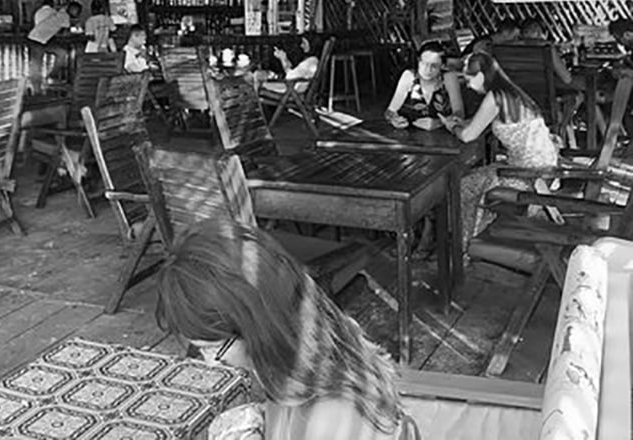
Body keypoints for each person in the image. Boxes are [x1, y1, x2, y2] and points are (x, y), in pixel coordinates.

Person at [156, 218, 419, 440]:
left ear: (259, 329)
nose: (213, 364)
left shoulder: (332, 417)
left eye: (212, 349)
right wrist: (258, 416)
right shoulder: (311, 347)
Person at [440, 52, 559, 250]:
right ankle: (470, 238)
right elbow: (482, 122)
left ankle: (464, 246)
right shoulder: (510, 92)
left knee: (462, 185)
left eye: (468, 80)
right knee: (477, 176)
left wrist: (451, 127)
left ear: (479, 77)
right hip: (544, 167)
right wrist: (463, 123)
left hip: (528, 175)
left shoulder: (494, 97)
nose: (468, 85)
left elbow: (468, 136)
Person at [385, 40, 463, 131]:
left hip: (443, 135)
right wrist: (393, 120)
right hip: (410, 136)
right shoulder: (409, 76)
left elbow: (459, 113)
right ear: (418, 61)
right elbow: (389, 112)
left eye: (434, 66)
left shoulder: (449, 78)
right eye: (424, 64)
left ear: (442, 66)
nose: (428, 69)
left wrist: (439, 122)